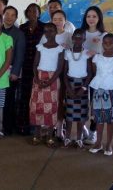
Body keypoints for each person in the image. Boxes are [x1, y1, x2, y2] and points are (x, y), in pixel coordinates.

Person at [30, 23, 64, 147]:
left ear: (56, 32)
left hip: (53, 80)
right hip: (39, 78)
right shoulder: (40, 47)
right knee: (37, 107)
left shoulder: (60, 48)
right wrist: (37, 79)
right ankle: (37, 134)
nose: (48, 33)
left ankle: (50, 135)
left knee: (51, 108)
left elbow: (59, 68)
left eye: (51, 30)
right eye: (46, 31)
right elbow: (35, 64)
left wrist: (51, 81)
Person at [40, 9, 72, 141]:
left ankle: (59, 129)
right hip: (48, 72)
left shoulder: (69, 36)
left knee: (60, 101)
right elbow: (41, 52)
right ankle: (48, 127)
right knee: (48, 101)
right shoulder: (46, 35)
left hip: (63, 73)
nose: (57, 22)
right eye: (55, 19)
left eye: (60, 19)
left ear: (65, 21)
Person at [89, 33, 113, 156]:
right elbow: (94, 73)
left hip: (112, 90)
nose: (108, 45)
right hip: (99, 90)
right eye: (105, 43)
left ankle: (108, 143)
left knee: (110, 120)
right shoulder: (97, 58)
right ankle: (98, 142)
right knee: (98, 119)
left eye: (111, 43)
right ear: (102, 44)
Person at [80, 5, 108, 145]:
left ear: (99, 18)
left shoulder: (104, 35)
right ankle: (83, 130)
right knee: (81, 103)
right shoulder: (81, 33)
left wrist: (96, 54)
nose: (91, 19)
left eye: (94, 16)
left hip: (98, 75)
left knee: (96, 105)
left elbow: (109, 55)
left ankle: (93, 132)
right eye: (88, 16)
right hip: (81, 74)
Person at [18, 3, 45, 135]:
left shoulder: (44, 27)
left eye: (35, 11)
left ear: (39, 13)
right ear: (26, 13)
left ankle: (35, 125)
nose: (32, 13)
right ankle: (23, 124)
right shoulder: (22, 28)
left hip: (38, 66)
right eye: (29, 11)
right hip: (24, 65)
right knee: (24, 95)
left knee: (36, 96)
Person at [63, 29, 92, 148]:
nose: (78, 40)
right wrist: (69, 89)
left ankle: (79, 138)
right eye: (76, 37)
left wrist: (83, 88)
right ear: (72, 38)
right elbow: (64, 73)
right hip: (70, 84)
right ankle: (68, 137)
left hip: (82, 85)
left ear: (84, 39)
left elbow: (90, 73)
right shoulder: (67, 53)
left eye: (81, 38)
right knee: (69, 114)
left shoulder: (87, 53)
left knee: (82, 114)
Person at [1, 6, 25, 135]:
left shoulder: (19, 34)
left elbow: (20, 55)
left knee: (9, 100)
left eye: (12, 15)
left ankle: (7, 127)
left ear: (16, 18)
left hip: (11, 72)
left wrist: (15, 72)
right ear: (3, 15)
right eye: (7, 14)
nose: (9, 17)